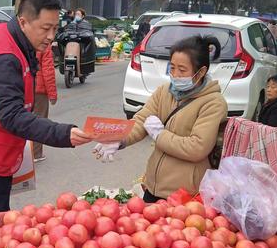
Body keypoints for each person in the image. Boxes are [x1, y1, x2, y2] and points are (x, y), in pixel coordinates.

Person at [0, 0, 92, 228]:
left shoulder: (1, 32)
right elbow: (12, 115)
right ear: (23, 22)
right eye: (45, 28)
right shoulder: (6, 59)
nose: (51, 37)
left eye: (55, 29)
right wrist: (64, 133)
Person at [93, 35, 228, 203]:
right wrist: (120, 138)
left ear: (201, 72)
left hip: (185, 195)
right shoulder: (165, 91)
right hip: (153, 186)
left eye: (182, 70)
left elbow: (197, 148)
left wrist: (159, 135)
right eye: (172, 68)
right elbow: (142, 119)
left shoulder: (213, 103)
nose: (175, 75)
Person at [33, 44, 58, 163]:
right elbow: (48, 70)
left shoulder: (22, 38)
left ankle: (22, 153)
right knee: (39, 121)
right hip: (39, 91)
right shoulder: (44, 44)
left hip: (23, 88)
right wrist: (52, 94)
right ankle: (36, 154)